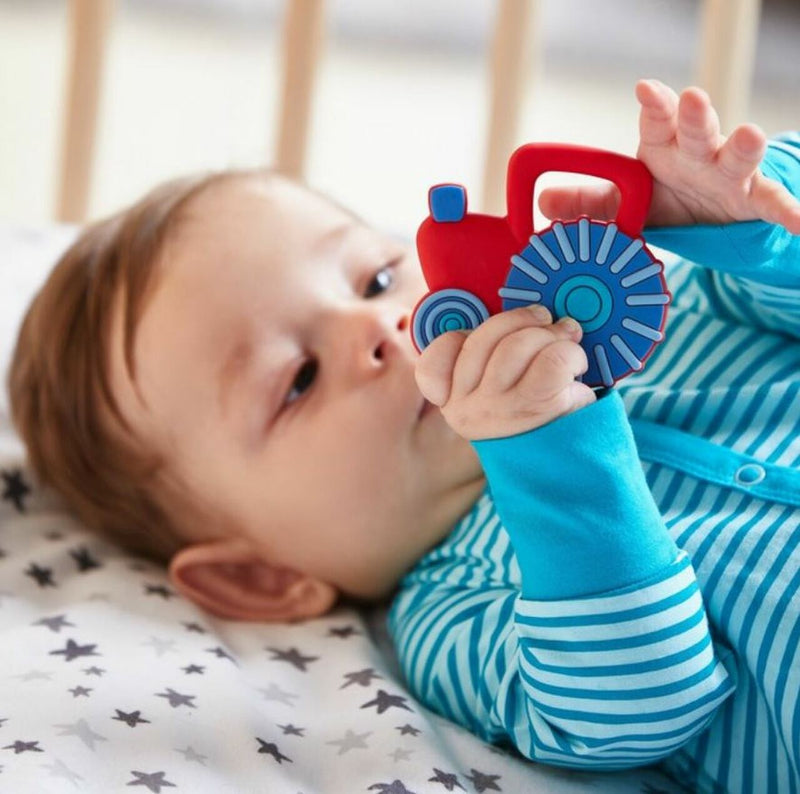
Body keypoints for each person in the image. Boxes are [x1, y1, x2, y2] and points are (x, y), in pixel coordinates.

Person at [7, 79, 800, 793]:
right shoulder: (450, 612)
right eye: (299, 380)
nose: (380, 327)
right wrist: (550, 445)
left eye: (377, 279)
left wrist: (738, 229)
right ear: (261, 576)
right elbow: (639, 709)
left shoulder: (671, 306)